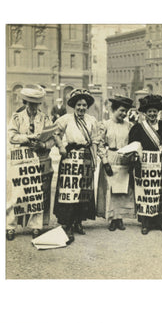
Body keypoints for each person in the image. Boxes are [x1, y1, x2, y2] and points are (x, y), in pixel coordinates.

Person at [52, 88, 108, 244]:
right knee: (69, 191)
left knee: (83, 191)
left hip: (85, 158)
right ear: (73, 106)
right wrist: (61, 147)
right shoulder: (66, 119)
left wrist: (95, 159)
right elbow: (54, 133)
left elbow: (96, 140)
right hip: (70, 158)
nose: (81, 108)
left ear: (87, 106)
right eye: (78, 105)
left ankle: (78, 221)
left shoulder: (92, 121)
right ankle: (67, 223)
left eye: (84, 105)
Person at [7, 86, 54, 241]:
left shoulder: (45, 118)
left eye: (36, 104)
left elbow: (52, 138)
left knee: (37, 193)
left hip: (39, 159)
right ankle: (10, 226)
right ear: (25, 102)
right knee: (17, 193)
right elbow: (12, 136)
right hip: (21, 158)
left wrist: (43, 145)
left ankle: (36, 226)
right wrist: (28, 138)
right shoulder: (17, 117)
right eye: (30, 103)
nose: (33, 107)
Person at [128, 94, 162, 235]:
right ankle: (145, 223)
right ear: (145, 113)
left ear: (158, 112)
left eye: (155, 111)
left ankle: (161, 222)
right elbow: (133, 145)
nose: (152, 114)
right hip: (145, 165)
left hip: (160, 164)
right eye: (149, 112)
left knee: (161, 192)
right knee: (146, 193)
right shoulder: (138, 128)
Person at [96, 96, 136, 231]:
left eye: (126, 112)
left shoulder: (129, 126)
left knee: (123, 190)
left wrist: (131, 156)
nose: (124, 114)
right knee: (111, 189)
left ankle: (120, 218)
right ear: (114, 110)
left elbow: (133, 143)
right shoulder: (105, 125)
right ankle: (112, 218)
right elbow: (100, 144)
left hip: (124, 159)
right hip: (111, 158)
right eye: (122, 111)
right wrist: (105, 160)